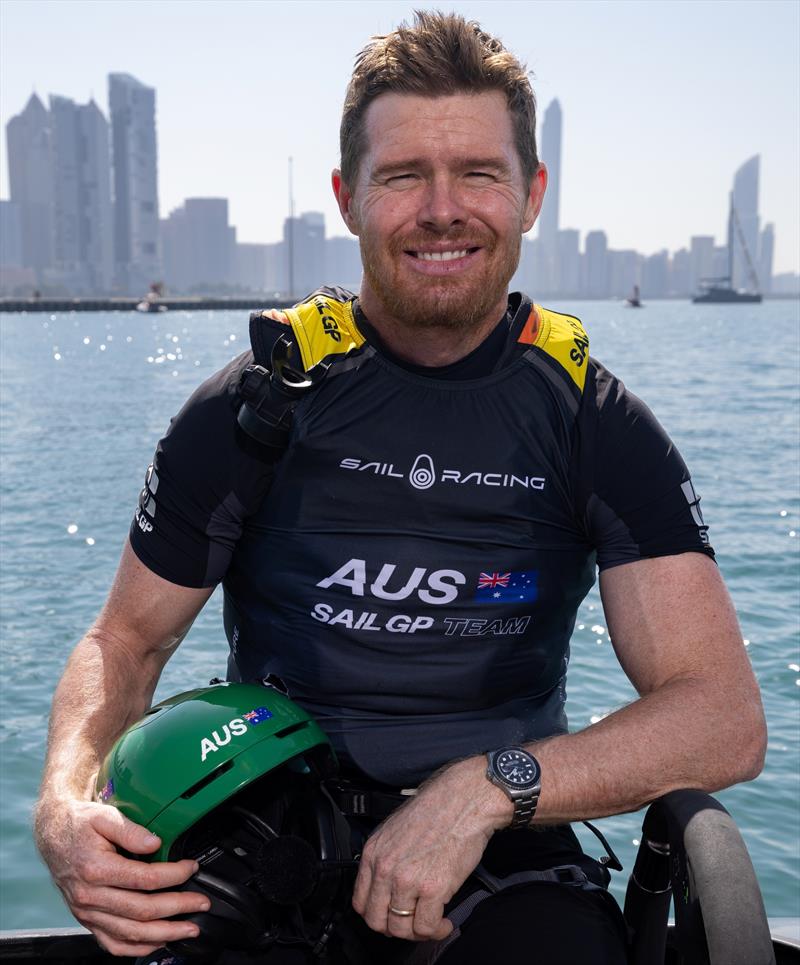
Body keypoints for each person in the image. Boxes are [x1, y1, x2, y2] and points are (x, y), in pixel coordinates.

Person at [34, 12, 766, 964]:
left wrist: (488, 786)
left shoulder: (592, 421)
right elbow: (125, 640)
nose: (442, 209)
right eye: (403, 175)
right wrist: (61, 803)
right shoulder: (254, 405)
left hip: (501, 856)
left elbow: (721, 714)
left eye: (479, 173)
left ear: (532, 193)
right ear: (348, 197)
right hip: (264, 830)